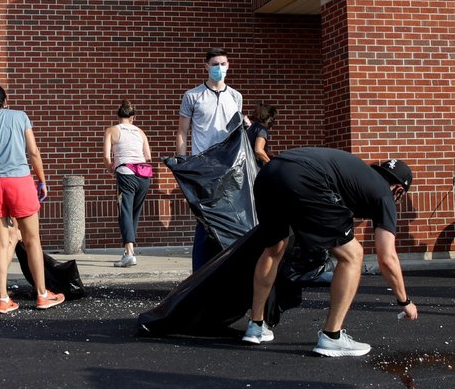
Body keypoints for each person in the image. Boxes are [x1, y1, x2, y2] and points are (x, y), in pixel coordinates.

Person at [242, 148, 418, 357]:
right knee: (353, 255)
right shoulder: (383, 194)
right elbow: (387, 257)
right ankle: (331, 337)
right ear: (398, 190)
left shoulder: (358, 175)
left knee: (274, 248)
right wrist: (404, 301)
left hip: (268, 173)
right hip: (304, 176)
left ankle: (255, 326)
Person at [0, 84, 64, 313]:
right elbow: (34, 152)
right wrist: (42, 180)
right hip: (20, 181)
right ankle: (42, 294)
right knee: (32, 241)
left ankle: (3, 299)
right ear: (5, 101)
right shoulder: (20, 117)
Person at [175, 47, 246, 271]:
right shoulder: (193, 95)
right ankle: (200, 272)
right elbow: (182, 131)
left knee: (229, 219)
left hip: (229, 165)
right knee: (205, 219)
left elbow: (237, 132)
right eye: (215, 64)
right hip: (202, 164)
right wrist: (182, 162)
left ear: (228, 66)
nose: (219, 68)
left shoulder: (235, 96)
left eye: (223, 64)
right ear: (206, 67)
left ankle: (224, 269)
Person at [102, 99, 153, 267]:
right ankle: (129, 250)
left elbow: (107, 156)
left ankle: (129, 253)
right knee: (134, 213)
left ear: (119, 116)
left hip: (126, 174)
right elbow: (148, 156)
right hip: (144, 175)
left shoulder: (111, 130)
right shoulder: (140, 132)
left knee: (125, 212)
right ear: (133, 118)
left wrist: (111, 167)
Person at [246, 102, 277, 167]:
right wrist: (271, 164)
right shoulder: (262, 130)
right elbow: (258, 150)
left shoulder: (252, 127)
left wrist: (273, 155)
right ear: (269, 119)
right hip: (252, 167)